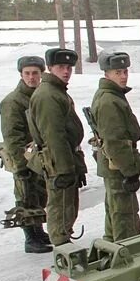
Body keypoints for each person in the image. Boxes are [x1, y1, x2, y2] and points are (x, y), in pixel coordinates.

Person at [29, 48, 87, 248]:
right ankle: (63, 253)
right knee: (60, 210)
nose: (66, 71)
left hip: (65, 157)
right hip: (58, 161)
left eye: (69, 67)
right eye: (61, 67)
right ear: (50, 68)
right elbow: (54, 136)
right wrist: (64, 170)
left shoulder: (56, 91)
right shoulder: (48, 95)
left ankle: (64, 245)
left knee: (66, 208)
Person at [90, 51, 140, 242]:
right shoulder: (109, 100)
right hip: (118, 167)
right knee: (124, 216)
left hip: (115, 166)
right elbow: (115, 143)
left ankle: (112, 246)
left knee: (115, 210)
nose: (123, 76)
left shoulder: (111, 95)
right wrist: (130, 171)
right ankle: (125, 254)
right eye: (117, 72)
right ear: (106, 74)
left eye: (125, 71)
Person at [0, 55, 51, 253]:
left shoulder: (39, 96)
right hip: (24, 157)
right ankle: (30, 238)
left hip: (38, 156)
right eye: (27, 73)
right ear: (21, 75)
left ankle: (38, 231)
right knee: (26, 196)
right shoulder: (13, 102)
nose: (31, 77)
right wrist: (21, 166)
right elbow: (12, 137)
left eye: (35, 73)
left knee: (39, 195)